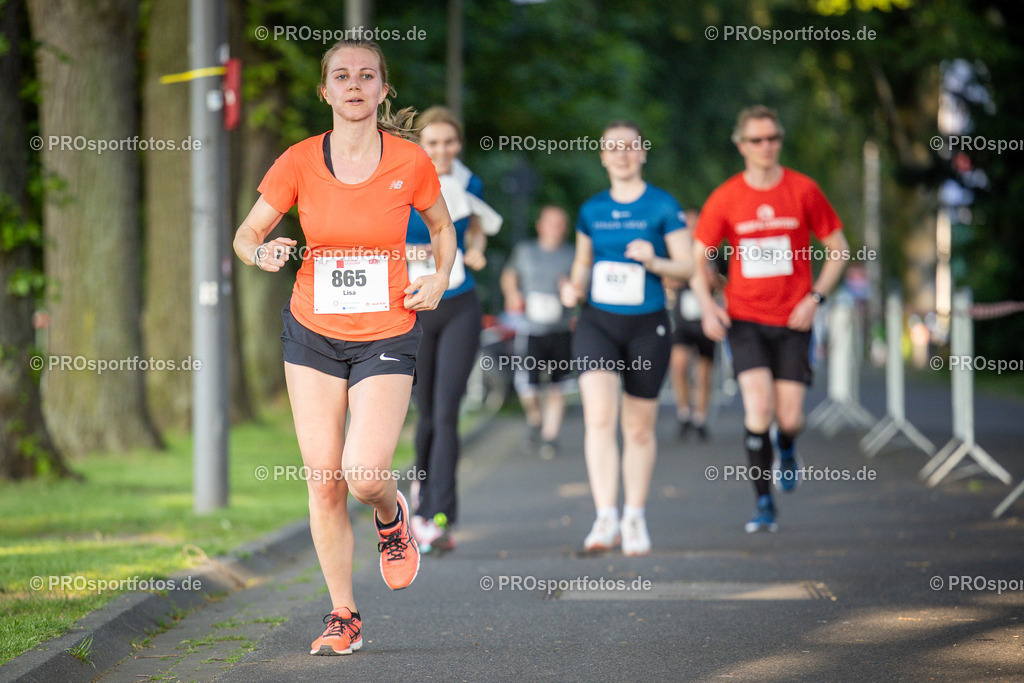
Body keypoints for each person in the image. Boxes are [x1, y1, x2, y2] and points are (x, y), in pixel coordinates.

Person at [232, 39, 457, 656]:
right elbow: (246, 233)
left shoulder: (410, 162)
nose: (353, 85)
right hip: (312, 331)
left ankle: (391, 517)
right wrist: (262, 250)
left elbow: (442, 227)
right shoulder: (299, 161)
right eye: (341, 76)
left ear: (384, 90)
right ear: (324, 91)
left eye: (366, 76)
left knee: (362, 474)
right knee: (325, 479)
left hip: (387, 329)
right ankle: (343, 615)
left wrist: (437, 277)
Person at [690, 105, 849, 533]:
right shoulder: (725, 197)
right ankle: (763, 502)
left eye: (773, 138)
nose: (767, 146)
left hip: (794, 318)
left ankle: (788, 445)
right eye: (757, 140)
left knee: (791, 416)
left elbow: (839, 250)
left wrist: (815, 298)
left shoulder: (803, 190)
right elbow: (698, 258)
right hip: (744, 318)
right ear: (741, 145)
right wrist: (708, 305)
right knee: (758, 407)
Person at [560, 121, 693, 556]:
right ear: (602, 156)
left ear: (642, 153)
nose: (621, 155)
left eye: (630, 147)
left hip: (647, 324)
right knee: (599, 416)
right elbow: (582, 264)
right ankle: (605, 516)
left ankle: (634, 514)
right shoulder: (592, 209)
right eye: (612, 148)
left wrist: (654, 260)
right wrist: (572, 287)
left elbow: (688, 267)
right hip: (597, 321)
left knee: (637, 428)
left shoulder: (662, 206)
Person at [405, 106, 501, 555]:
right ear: (420, 146)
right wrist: (414, 248)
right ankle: (421, 495)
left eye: (449, 142)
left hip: (460, 302)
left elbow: (477, 225)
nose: (442, 151)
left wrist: (477, 248)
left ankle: (440, 515)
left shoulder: (469, 183)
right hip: (417, 307)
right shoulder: (401, 180)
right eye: (433, 143)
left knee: (447, 412)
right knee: (425, 414)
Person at [501, 205, 576, 459]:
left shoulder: (572, 254)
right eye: (551, 222)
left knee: (558, 386)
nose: (555, 227)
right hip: (530, 330)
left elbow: (579, 284)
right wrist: (513, 293)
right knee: (528, 386)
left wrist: (571, 289)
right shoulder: (526, 251)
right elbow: (509, 275)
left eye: (560, 223)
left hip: (561, 329)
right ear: (540, 225)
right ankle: (535, 419)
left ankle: (550, 436)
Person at [666, 259, 718, 441]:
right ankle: (684, 411)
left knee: (704, 372)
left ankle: (700, 418)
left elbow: (723, 281)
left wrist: (712, 280)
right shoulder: (677, 252)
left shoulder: (713, 254)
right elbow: (666, 279)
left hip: (705, 321)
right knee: (679, 364)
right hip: (682, 322)